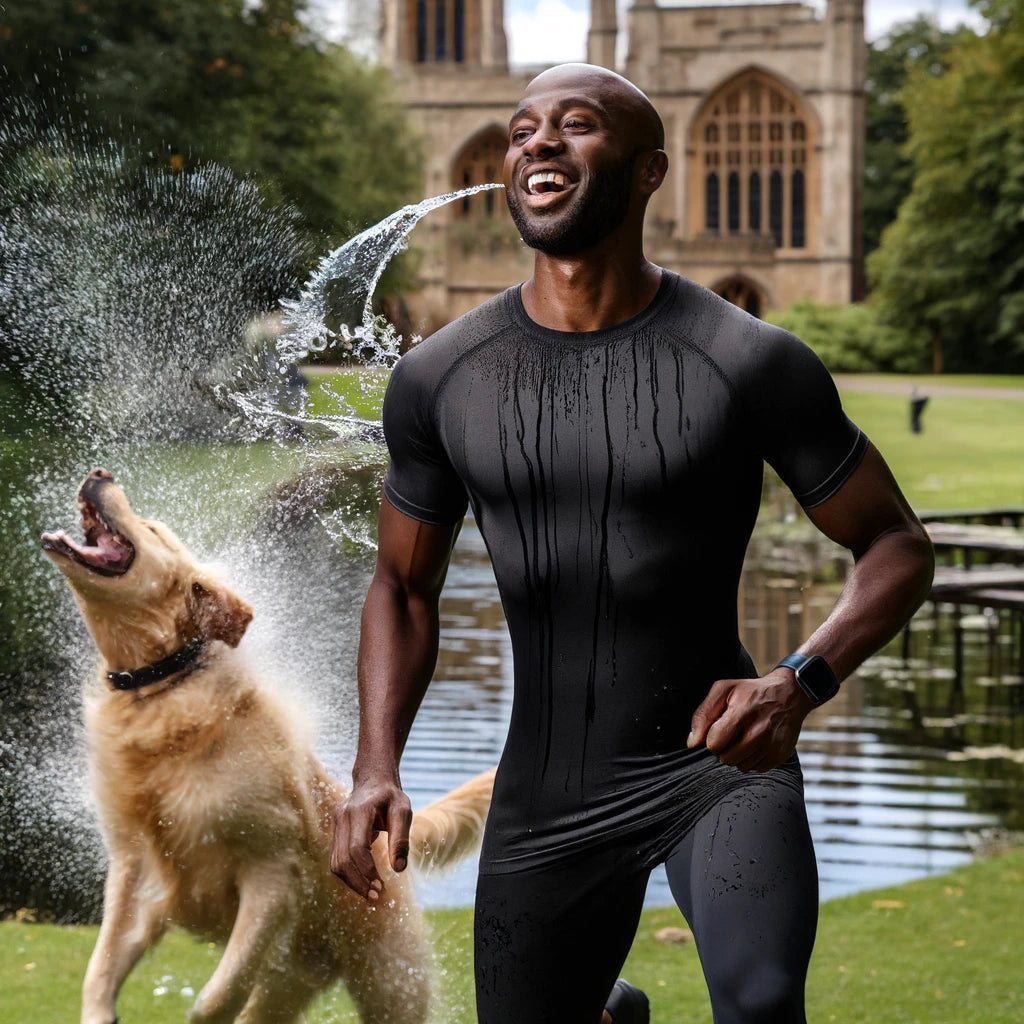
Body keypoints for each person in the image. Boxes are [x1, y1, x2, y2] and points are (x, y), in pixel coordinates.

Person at [330, 63, 935, 1024]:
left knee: (763, 1003)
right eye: (524, 128)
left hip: (720, 766)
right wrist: (376, 767)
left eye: (577, 124)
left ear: (650, 170)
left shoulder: (747, 360)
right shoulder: (441, 377)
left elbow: (897, 546)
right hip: (548, 788)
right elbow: (403, 588)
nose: (538, 142)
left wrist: (799, 680)